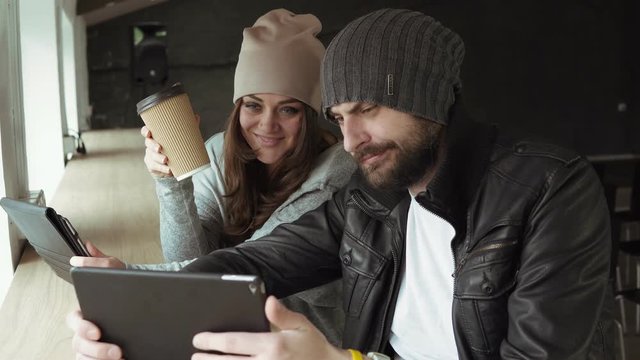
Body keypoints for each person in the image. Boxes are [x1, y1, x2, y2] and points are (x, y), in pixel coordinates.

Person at [68, 8, 614, 360]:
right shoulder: (375, 197)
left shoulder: (550, 190)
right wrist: (135, 303)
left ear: (430, 98)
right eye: (339, 115)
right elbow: (252, 262)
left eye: (368, 109)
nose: (351, 140)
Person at [69, 8, 355, 347]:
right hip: (223, 327)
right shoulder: (221, 152)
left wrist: (131, 278)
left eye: (288, 109)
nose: (267, 125)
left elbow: (250, 265)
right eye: (253, 105)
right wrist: (172, 181)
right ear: (238, 107)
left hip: (302, 341)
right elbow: (185, 255)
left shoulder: (334, 177)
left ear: (310, 115)